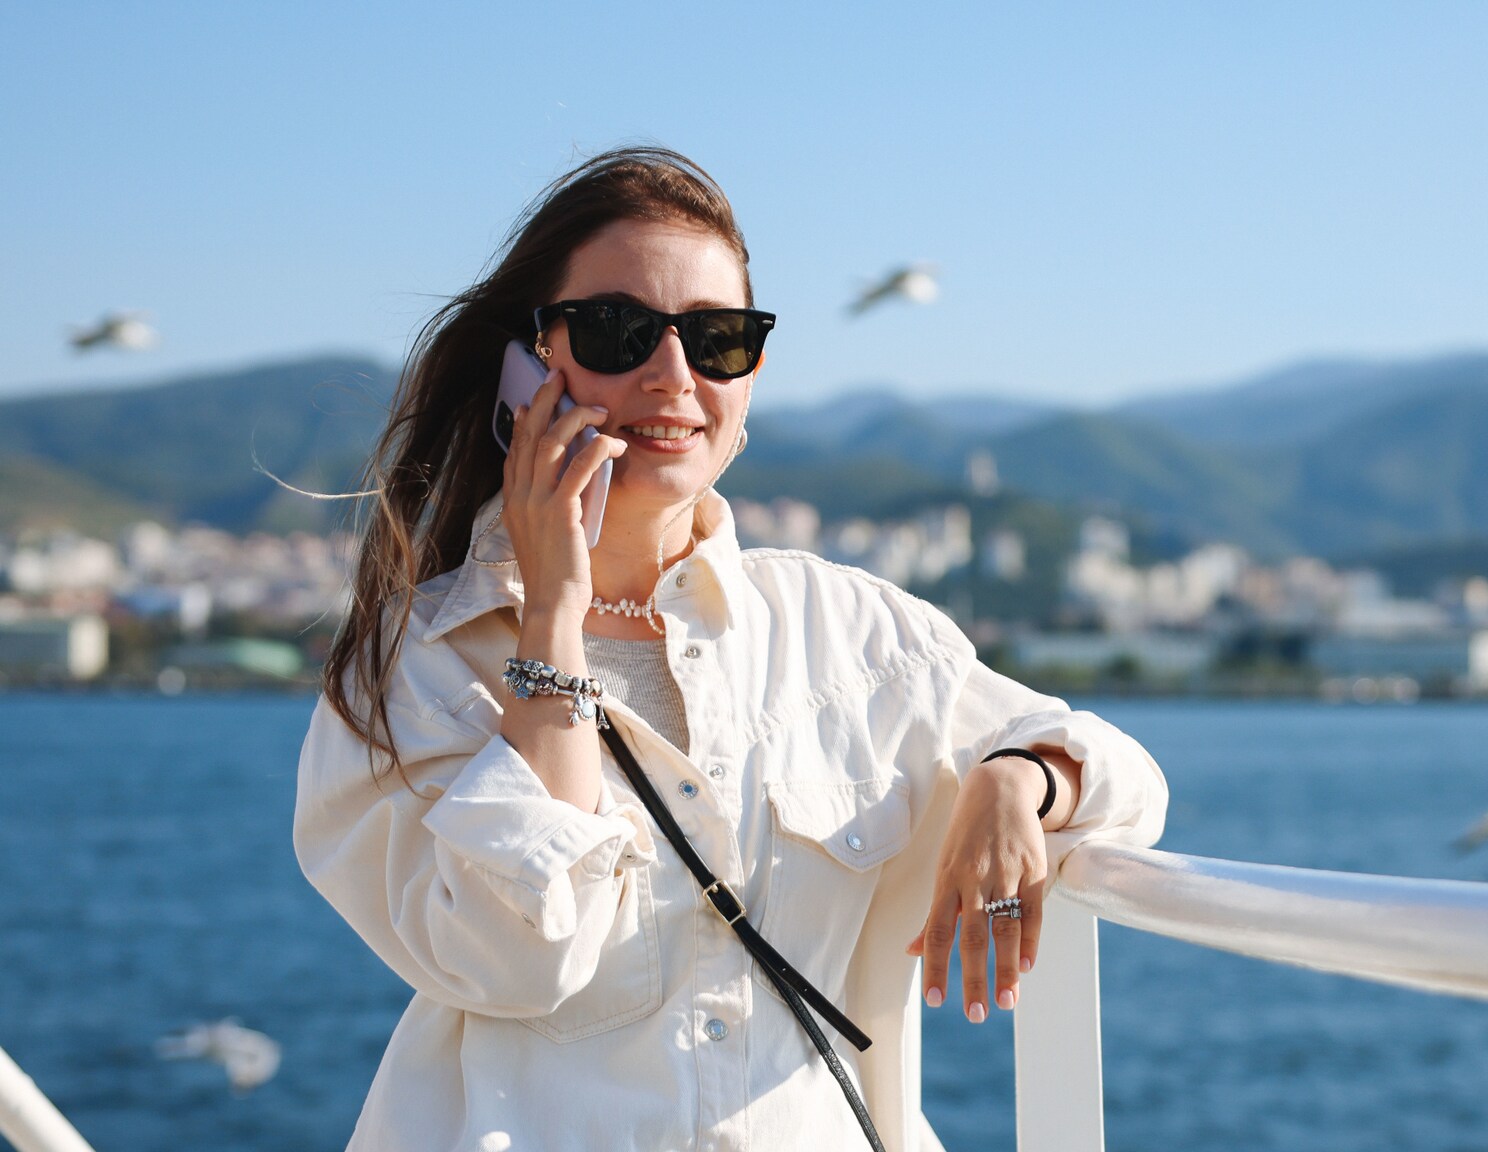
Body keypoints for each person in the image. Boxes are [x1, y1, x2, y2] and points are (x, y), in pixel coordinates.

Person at [293, 145, 1169, 1152]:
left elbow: (1127, 785)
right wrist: (552, 619)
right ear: (526, 365)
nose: (671, 375)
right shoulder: (418, 664)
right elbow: (518, 959)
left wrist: (1018, 777)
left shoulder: (850, 634)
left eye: (716, 339)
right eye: (619, 332)